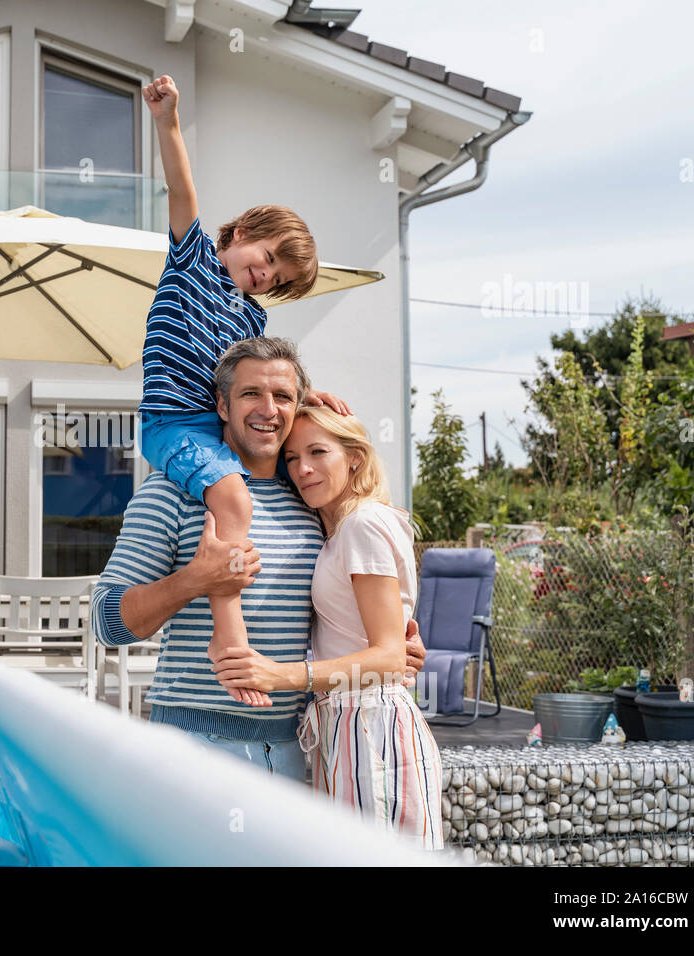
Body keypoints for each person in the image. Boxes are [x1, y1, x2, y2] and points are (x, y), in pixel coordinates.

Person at [92, 337, 425, 780]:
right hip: (191, 748)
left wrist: (386, 649)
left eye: (282, 396)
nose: (268, 409)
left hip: (293, 749)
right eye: (251, 393)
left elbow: (340, 610)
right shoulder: (171, 493)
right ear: (222, 406)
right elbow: (106, 623)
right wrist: (195, 579)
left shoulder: (312, 501)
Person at [138, 73, 348, 706]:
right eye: (267, 257)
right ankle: (227, 642)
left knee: (240, 499)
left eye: (275, 279)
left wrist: (309, 401)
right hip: (174, 423)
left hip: (213, 426)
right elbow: (182, 188)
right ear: (243, 230)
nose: (263, 276)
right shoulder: (193, 257)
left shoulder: (253, 320)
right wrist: (168, 122)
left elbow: (257, 384)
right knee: (233, 506)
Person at [213, 406, 444, 848]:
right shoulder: (341, 529)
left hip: (370, 726)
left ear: (354, 456)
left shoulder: (362, 525)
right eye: (293, 457)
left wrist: (282, 676)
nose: (303, 469)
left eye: (319, 452)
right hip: (344, 723)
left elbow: (390, 657)